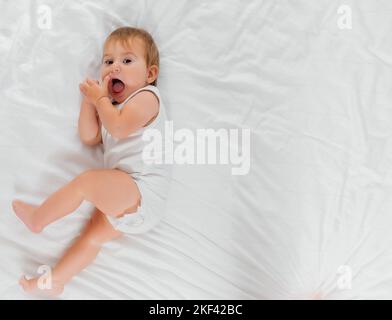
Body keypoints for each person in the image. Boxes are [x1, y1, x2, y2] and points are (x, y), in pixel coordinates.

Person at [12, 26, 172, 297]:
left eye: (127, 60)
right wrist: (90, 103)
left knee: (87, 182)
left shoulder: (147, 98)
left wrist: (100, 100)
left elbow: (120, 129)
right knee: (91, 237)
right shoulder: (112, 108)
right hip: (126, 195)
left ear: (150, 74)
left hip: (142, 190)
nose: (114, 68)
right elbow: (89, 137)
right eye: (108, 61)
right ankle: (54, 283)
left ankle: (39, 218)